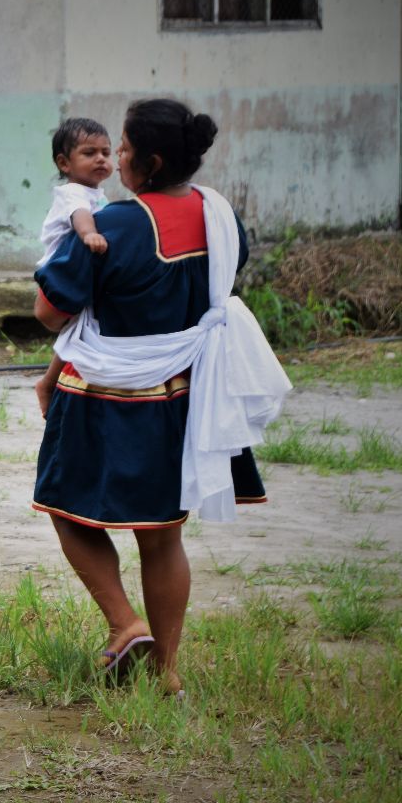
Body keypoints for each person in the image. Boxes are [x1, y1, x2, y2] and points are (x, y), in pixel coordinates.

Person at [31, 98, 288, 697]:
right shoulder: (219, 216)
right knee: (163, 534)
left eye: (120, 150)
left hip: (103, 394)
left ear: (148, 160)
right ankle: (165, 671)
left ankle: (125, 625)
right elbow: (220, 282)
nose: (113, 160)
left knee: (66, 510)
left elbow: (49, 312)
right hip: (181, 398)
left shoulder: (115, 224)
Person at [34, 118, 114, 418]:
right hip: (60, 276)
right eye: (89, 152)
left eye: (106, 153)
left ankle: (49, 381)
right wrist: (89, 234)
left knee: (79, 330)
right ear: (64, 163)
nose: (101, 159)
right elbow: (80, 216)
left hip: (78, 274)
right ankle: (49, 382)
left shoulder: (97, 193)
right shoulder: (73, 193)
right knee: (77, 329)